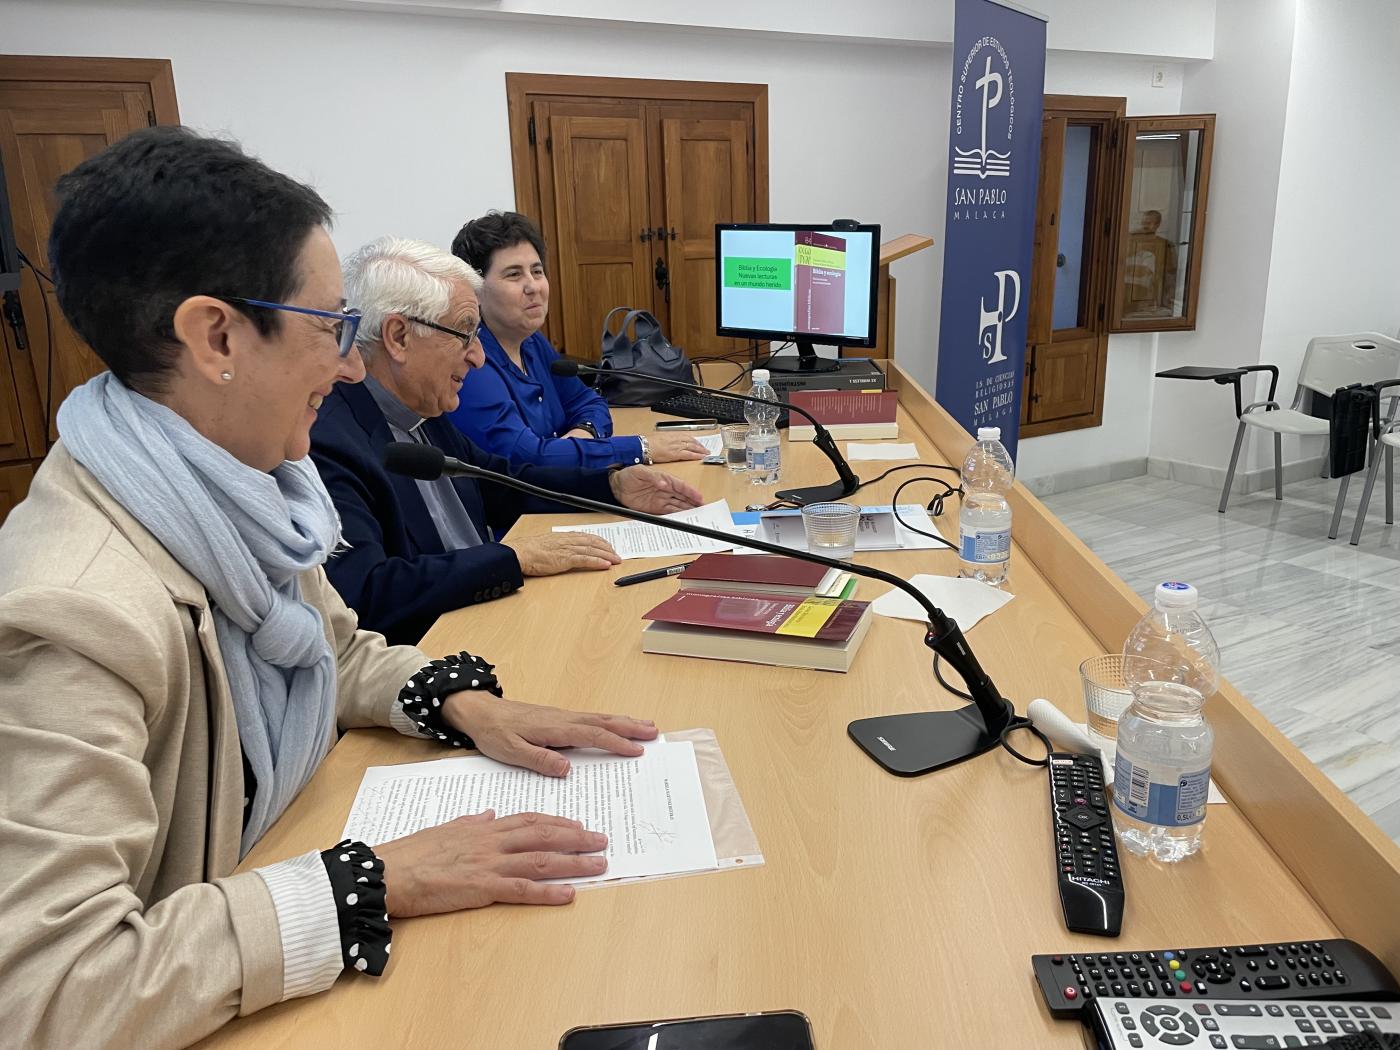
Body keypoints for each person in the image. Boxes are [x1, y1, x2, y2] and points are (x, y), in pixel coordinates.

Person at [0, 127, 661, 1050]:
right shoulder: (75, 609)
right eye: (330, 328)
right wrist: (375, 880)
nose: (352, 366)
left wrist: (464, 704)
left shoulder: (244, 486)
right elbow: (49, 991)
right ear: (217, 336)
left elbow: (332, 647)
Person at [310, 235, 705, 646]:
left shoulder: (423, 407)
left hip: (489, 612)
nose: (478, 356)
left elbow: (499, 481)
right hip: (439, 648)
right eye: (464, 334)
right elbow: (367, 592)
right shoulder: (331, 442)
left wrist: (611, 485)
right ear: (398, 337)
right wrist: (513, 557)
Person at [447, 210, 708, 467]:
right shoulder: (472, 364)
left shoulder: (532, 342)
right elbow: (525, 457)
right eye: (514, 274)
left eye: (537, 271)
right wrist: (641, 447)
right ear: (475, 289)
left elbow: (589, 402)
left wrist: (582, 437)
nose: (534, 286)